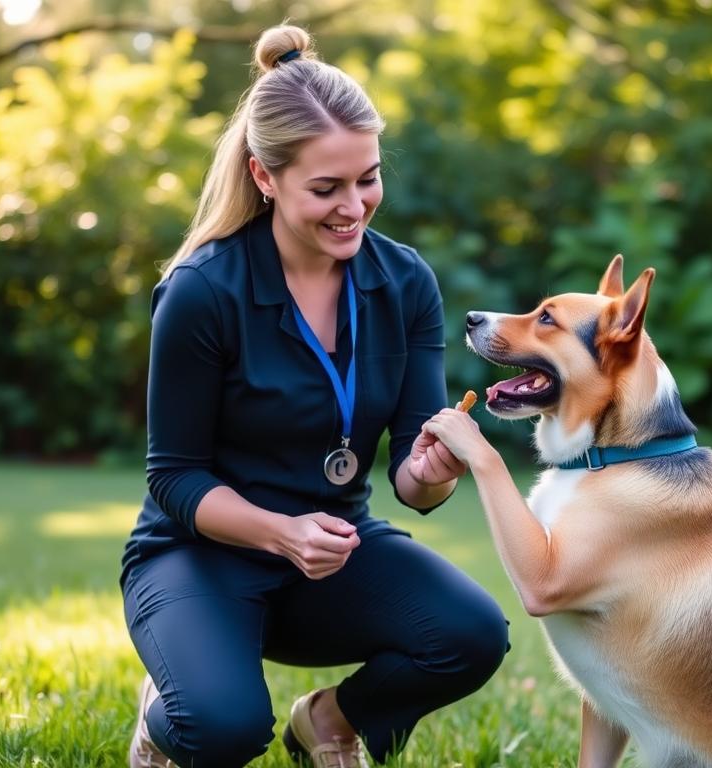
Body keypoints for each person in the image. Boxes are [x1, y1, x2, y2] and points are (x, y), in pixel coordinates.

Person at [120, 23, 509, 768]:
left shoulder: (404, 283)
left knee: (472, 633)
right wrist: (281, 532)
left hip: (332, 554)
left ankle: (329, 723)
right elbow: (172, 478)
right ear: (265, 178)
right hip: (199, 555)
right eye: (326, 188)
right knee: (224, 728)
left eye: (367, 177)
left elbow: (411, 478)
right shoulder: (202, 293)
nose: (355, 206)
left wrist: (429, 475)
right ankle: (166, 707)